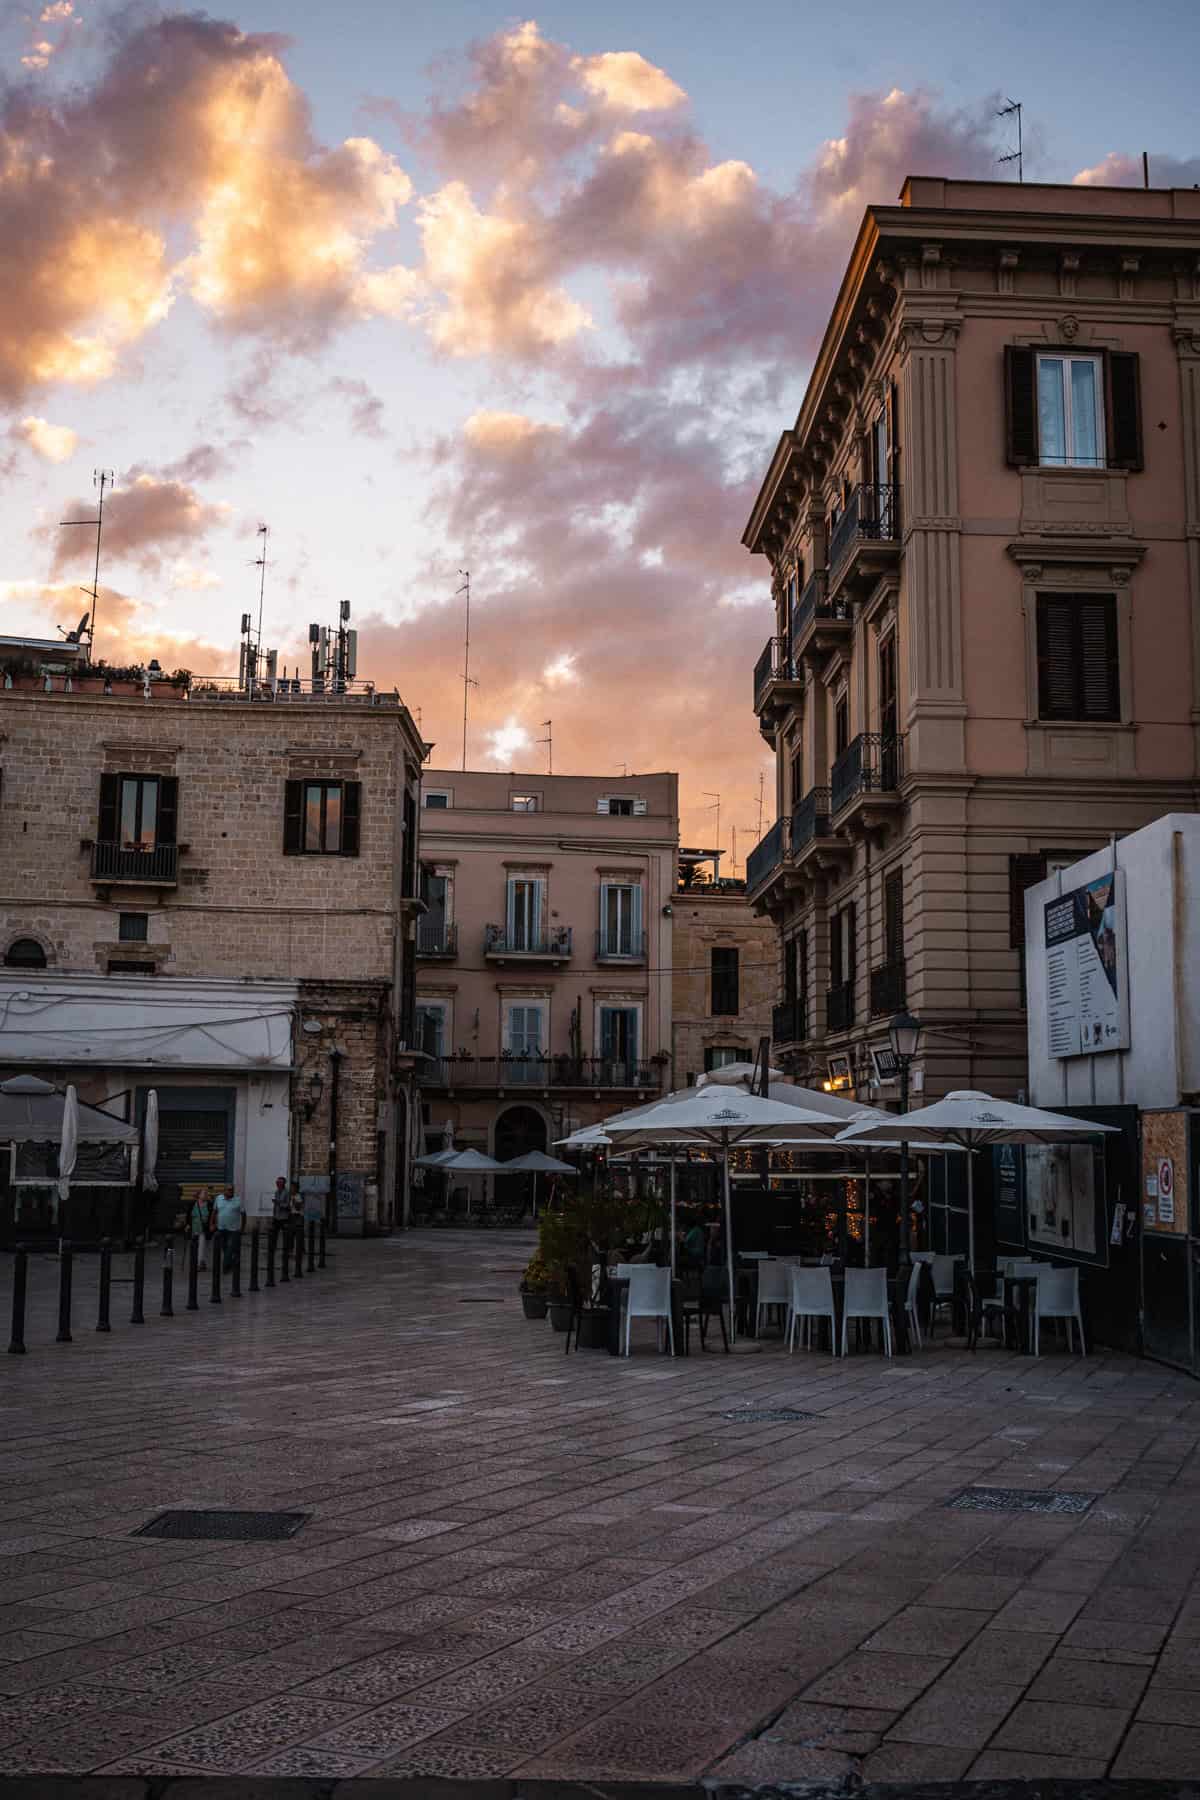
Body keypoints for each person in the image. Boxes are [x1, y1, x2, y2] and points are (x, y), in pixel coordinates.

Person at [213, 1186, 244, 1274]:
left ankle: (225, 1267)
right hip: (221, 1228)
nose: (231, 1191)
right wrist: (212, 1223)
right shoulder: (218, 1198)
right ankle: (230, 1263)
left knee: (230, 1248)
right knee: (225, 1248)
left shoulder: (238, 1200)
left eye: (232, 1190)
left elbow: (243, 1214)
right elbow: (215, 1212)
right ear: (224, 1191)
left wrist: (242, 1228)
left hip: (234, 1229)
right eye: (229, 1190)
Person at [189, 1186, 214, 1270]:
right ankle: (200, 1262)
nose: (205, 1195)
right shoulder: (193, 1204)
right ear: (199, 1195)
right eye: (204, 1193)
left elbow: (212, 1216)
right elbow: (189, 1215)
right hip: (194, 1228)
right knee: (195, 1246)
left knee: (202, 1246)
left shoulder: (209, 1204)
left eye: (206, 1193)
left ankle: (199, 1264)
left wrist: (212, 1225)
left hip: (204, 1229)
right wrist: (187, 1225)